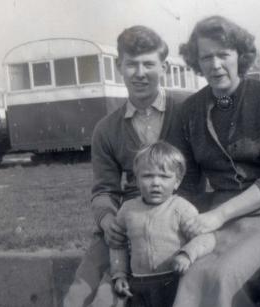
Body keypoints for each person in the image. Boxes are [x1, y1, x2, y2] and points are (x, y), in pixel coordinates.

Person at [171, 15, 260, 307]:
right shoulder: (190, 110)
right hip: (217, 218)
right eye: (206, 57)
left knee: (224, 274)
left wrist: (218, 216)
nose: (215, 64)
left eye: (224, 54)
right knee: (192, 275)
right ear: (196, 61)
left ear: (240, 56)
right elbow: (187, 183)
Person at [63, 25, 190, 307]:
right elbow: (103, 190)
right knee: (80, 293)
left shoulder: (187, 109)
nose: (140, 73)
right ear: (119, 66)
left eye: (148, 64)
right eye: (131, 64)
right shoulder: (106, 128)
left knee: (112, 294)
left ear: (164, 67)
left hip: (175, 219)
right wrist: (108, 222)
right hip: (126, 220)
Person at [109, 141, 216, 307]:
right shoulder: (128, 210)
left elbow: (207, 238)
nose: (155, 183)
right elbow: (117, 243)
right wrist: (119, 274)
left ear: (177, 182)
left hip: (174, 280)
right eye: (147, 176)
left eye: (164, 176)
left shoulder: (181, 208)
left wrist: (187, 254)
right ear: (136, 180)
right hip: (139, 282)